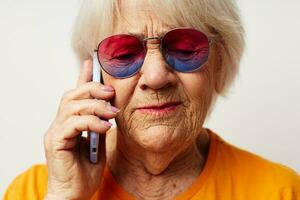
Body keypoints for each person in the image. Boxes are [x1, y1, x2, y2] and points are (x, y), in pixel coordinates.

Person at [4, 0, 300, 199]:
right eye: (124, 54)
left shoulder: (280, 190)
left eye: (185, 48)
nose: (156, 77)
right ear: (95, 75)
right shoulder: (33, 191)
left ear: (220, 64)